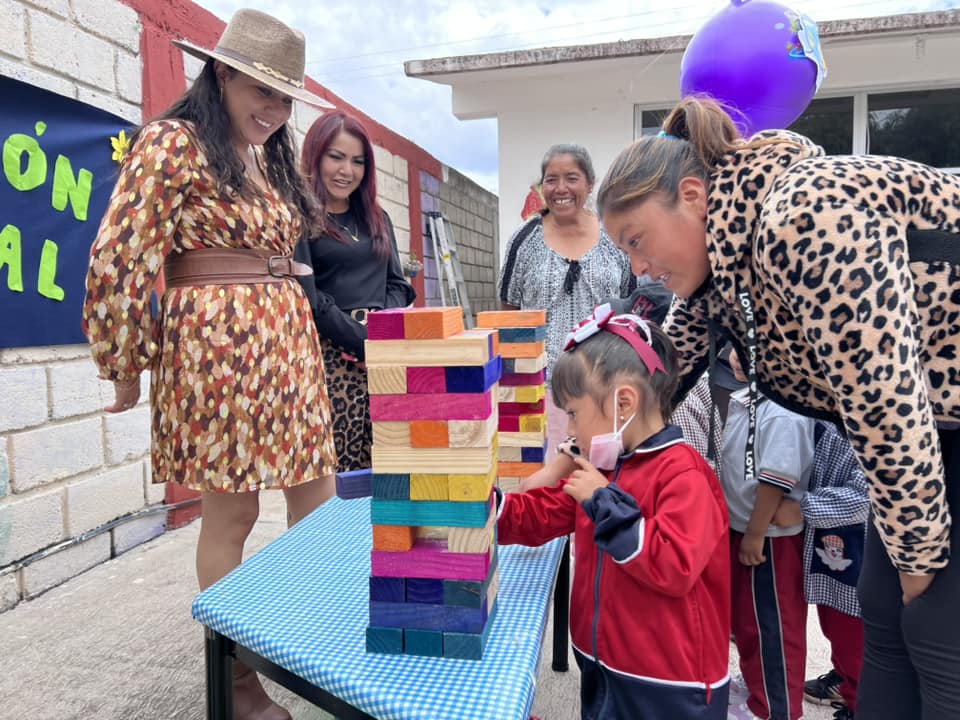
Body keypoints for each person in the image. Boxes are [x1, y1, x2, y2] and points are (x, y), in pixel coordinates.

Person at [595, 95, 960, 720]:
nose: (640, 267)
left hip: (925, 423)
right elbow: (662, 374)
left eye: (638, 241)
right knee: (882, 608)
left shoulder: (805, 216)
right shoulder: (722, 265)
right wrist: (591, 442)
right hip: (931, 424)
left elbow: (886, 409)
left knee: (931, 627)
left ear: (693, 196)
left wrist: (922, 569)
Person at [83, 10, 337, 719]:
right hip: (220, 351)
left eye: (285, 97)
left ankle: (306, 641)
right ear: (222, 72)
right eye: (262, 88)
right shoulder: (173, 142)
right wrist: (125, 359)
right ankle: (236, 684)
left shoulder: (269, 155)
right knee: (233, 513)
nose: (274, 110)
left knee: (316, 504)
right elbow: (120, 253)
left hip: (287, 343)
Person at [496, 305, 731, 719]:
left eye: (573, 413)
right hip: (602, 662)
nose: (569, 430)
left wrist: (603, 501)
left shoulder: (685, 474)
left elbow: (674, 565)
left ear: (624, 403)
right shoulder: (605, 468)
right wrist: (482, 508)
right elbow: (541, 514)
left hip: (668, 686)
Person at [297, 111, 416, 472]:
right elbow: (308, 296)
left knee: (388, 474)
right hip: (328, 363)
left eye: (358, 161)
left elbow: (397, 284)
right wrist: (360, 340)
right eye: (336, 156)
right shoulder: (300, 218)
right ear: (315, 156)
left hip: (382, 362)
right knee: (333, 480)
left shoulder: (377, 218)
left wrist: (380, 333)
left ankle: (378, 534)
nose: (346, 170)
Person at [498, 144, 635, 458]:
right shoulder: (524, 240)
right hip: (540, 386)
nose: (560, 189)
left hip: (604, 381)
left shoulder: (614, 235)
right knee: (546, 471)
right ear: (542, 186)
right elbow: (509, 311)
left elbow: (630, 305)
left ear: (590, 184)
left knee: (601, 470)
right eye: (551, 179)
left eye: (571, 178)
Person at [721, 352, 816, 720]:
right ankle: (755, 684)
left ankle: (775, 707)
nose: (737, 356)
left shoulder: (783, 410)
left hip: (768, 537)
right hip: (745, 527)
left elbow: (776, 478)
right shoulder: (751, 396)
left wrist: (755, 535)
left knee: (775, 626)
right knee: (749, 619)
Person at [798, 420, 869, 720]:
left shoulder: (876, 427)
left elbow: (865, 497)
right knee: (831, 621)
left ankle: (861, 704)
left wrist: (804, 506)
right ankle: (845, 679)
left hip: (859, 549)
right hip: (826, 542)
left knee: (853, 633)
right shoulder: (824, 414)